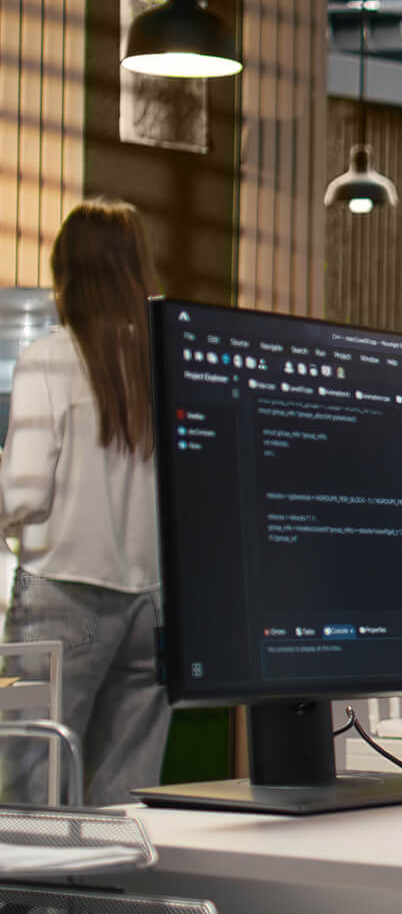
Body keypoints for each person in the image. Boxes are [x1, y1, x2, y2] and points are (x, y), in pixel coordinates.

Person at [0, 200, 169, 806]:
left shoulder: (50, 356)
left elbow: (23, 491)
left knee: (30, 777)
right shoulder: (165, 357)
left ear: (67, 271)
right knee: (126, 793)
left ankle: (32, 904)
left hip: (58, 602)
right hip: (154, 607)